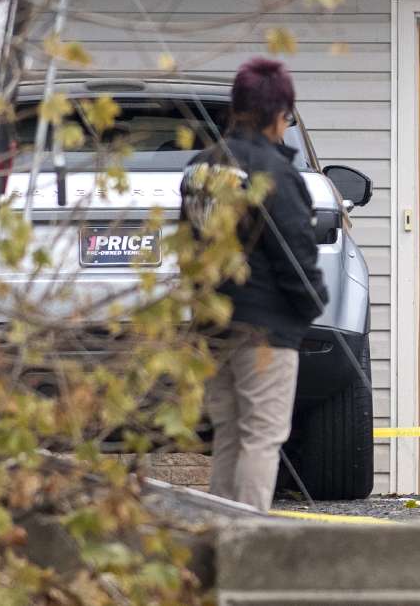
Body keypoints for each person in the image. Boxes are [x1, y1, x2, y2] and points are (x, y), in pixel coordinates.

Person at [180, 57, 328, 511]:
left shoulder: (201, 169)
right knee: (263, 437)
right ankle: (247, 537)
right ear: (279, 114)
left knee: (228, 434)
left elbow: (186, 247)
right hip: (266, 330)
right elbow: (295, 258)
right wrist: (312, 305)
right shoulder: (275, 175)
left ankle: (219, 535)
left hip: (212, 324)